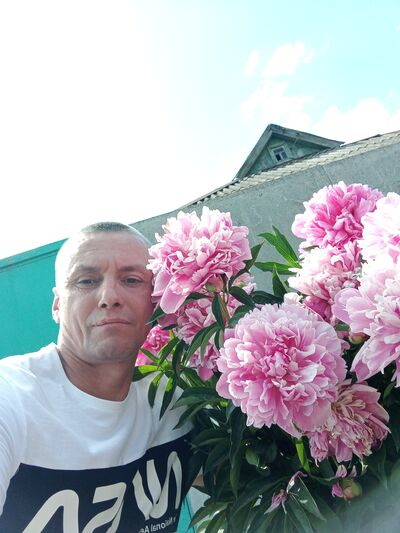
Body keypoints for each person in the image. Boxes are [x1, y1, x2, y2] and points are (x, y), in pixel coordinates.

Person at [0, 222, 193, 533]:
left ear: (158, 301)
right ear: (57, 304)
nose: (109, 297)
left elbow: (254, 477)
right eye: (87, 281)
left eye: (131, 280)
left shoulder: (178, 401)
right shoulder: (11, 398)